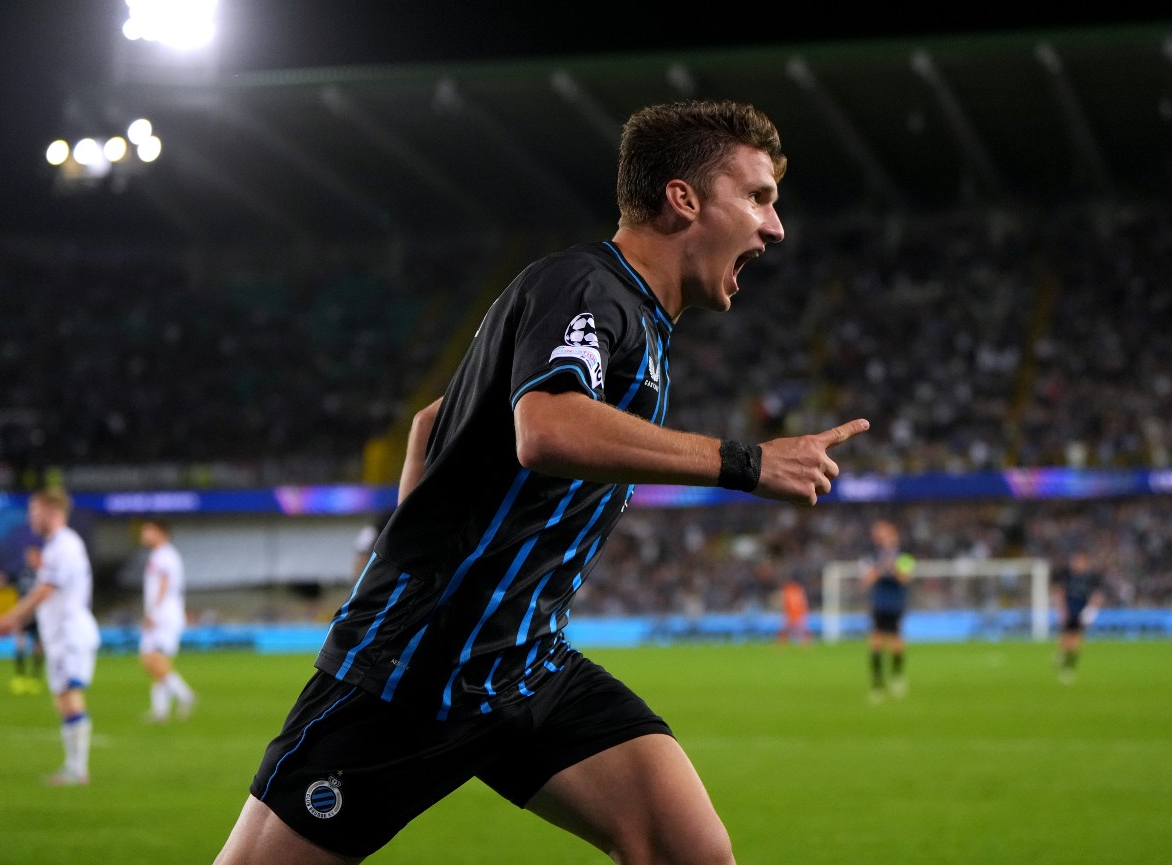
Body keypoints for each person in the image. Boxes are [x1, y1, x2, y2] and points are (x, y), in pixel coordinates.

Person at [213, 98, 869, 865]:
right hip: (418, 668)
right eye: (757, 197)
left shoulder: (644, 328)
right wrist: (748, 464)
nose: (775, 226)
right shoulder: (589, 287)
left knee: (689, 849)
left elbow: (433, 421)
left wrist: (422, 548)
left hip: (525, 667)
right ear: (683, 199)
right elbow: (547, 430)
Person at [0, 487, 101, 785]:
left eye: (34, 510)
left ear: (52, 510)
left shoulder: (61, 545)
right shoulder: (59, 546)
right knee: (64, 699)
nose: (31, 517)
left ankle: (77, 770)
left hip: (68, 634)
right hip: (62, 633)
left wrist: (10, 619)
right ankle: (75, 767)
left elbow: (43, 591)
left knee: (69, 698)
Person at [138, 518, 197, 721]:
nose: (143, 534)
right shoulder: (159, 555)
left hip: (165, 617)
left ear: (160, 532)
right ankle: (160, 711)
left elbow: (164, 585)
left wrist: (153, 614)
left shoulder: (165, 555)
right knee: (151, 661)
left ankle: (185, 695)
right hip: (161, 615)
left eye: (148, 530)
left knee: (154, 661)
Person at [860, 518, 914, 702]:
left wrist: (892, 564)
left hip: (896, 603)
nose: (878, 536)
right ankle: (877, 684)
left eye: (882, 532)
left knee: (896, 642)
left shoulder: (904, 555)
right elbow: (867, 579)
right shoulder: (872, 556)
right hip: (879, 603)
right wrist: (883, 565)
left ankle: (897, 676)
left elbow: (904, 578)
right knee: (875, 642)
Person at [1051, 549, 1105, 684]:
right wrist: (1061, 609)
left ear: (1085, 563)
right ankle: (1064, 657)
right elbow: (1060, 592)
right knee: (1066, 638)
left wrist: (1091, 612)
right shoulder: (1067, 575)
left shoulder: (1091, 578)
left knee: (1075, 639)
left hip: (1082, 612)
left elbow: (1097, 596)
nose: (1075, 563)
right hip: (1069, 610)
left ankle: (1068, 667)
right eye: (1074, 561)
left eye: (1079, 561)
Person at [8, 542, 46, 695]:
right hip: (24, 617)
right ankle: (20, 677)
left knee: (38, 646)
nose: (30, 559)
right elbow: (20, 596)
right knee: (20, 645)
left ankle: (35, 678)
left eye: (33, 556)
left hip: (39, 617)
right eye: (28, 557)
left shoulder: (44, 575)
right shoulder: (23, 574)